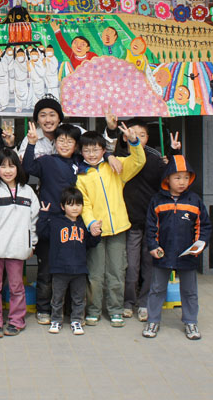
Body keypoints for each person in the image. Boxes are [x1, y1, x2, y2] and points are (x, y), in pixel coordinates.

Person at [106, 117, 181, 323]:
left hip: (152, 220)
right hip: (129, 220)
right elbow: (105, 147)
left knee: (149, 264)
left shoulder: (156, 158)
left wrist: (173, 154)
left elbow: (172, 180)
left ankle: (145, 302)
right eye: (132, 133)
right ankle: (128, 302)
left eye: (141, 135)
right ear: (124, 135)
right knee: (130, 265)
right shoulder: (117, 156)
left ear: (147, 137)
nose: (136, 137)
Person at [76, 124, 145, 327]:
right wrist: (90, 224)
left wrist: (134, 142)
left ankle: (115, 309)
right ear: (81, 152)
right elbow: (84, 204)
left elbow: (138, 161)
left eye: (95, 149)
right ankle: (94, 310)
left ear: (103, 150)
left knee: (116, 272)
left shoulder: (114, 167)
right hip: (96, 231)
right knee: (95, 274)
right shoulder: (81, 176)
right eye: (86, 150)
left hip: (118, 228)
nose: (91, 154)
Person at [143, 155, 211, 340]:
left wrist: (199, 245)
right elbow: (151, 227)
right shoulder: (157, 200)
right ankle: (153, 320)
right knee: (157, 288)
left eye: (186, 177)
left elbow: (203, 226)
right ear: (167, 178)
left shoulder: (194, 200)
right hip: (162, 254)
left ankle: (190, 322)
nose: (182, 182)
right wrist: (153, 246)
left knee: (189, 291)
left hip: (187, 255)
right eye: (177, 177)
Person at [22, 122, 83, 325]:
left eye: (70, 141)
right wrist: (31, 144)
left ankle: (68, 310)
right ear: (55, 142)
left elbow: (100, 152)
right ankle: (43, 308)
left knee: (72, 268)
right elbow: (28, 167)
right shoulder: (47, 161)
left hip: (73, 222)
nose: (65, 144)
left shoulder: (80, 163)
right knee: (47, 268)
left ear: (76, 144)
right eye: (61, 140)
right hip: (49, 220)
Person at [0, 149, 39, 338]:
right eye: (3, 166)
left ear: (18, 168)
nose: (7, 171)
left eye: (12, 166)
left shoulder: (28, 191)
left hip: (18, 248)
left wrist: (32, 244)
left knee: (16, 287)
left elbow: (33, 220)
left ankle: (16, 321)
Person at [37, 187, 99, 336]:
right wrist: (44, 215)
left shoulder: (83, 223)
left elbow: (90, 243)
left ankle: (76, 320)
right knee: (57, 297)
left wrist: (96, 234)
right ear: (62, 206)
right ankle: (56, 320)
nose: (75, 208)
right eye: (70, 204)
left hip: (79, 270)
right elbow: (43, 234)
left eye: (78, 204)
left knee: (78, 298)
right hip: (59, 269)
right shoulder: (56, 222)